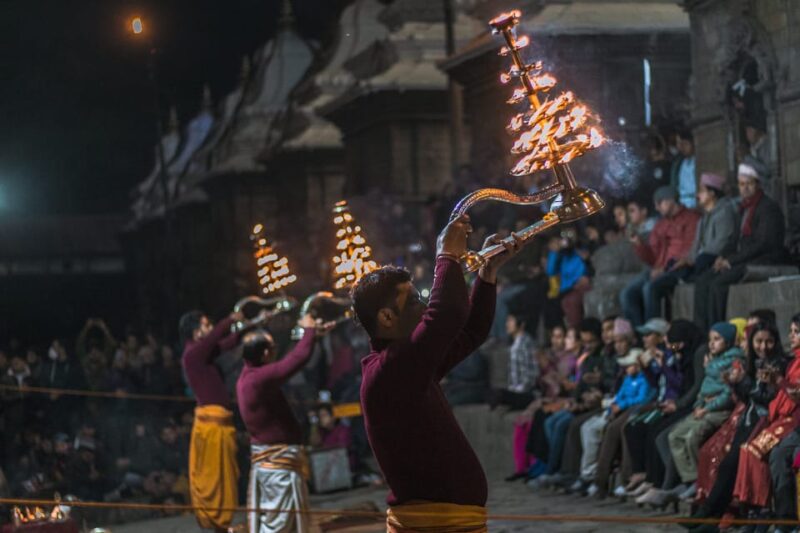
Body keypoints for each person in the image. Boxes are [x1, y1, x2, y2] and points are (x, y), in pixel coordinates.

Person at [354, 214, 521, 532]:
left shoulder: (409, 366)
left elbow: (469, 332)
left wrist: (486, 275)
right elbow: (446, 313)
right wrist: (447, 255)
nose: (424, 304)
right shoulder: (388, 372)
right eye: (415, 300)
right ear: (387, 317)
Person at [237, 314, 333, 533]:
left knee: (285, 523)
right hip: (277, 464)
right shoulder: (258, 379)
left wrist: (313, 336)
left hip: (276, 461)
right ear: (264, 353)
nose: (275, 351)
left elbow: (294, 357)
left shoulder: (250, 374)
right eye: (272, 347)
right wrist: (309, 330)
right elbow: (296, 360)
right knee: (278, 526)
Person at [693, 158, 786, 331]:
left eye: (748, 183)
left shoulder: (767, 208)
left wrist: (732, 261)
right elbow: (734, 239)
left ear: (758, 184)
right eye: (741, 184)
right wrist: (723, 257)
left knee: (717, 285)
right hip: (745, 258)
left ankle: (717, 330)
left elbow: (762, 244)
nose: (744, 188)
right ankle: (702, 331)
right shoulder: (744, 208)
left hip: (764, 259)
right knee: (704, 280)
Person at [180, 310, 245, 531]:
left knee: (224, 477)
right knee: (213, 478)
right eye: (206, 325)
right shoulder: (192, 354)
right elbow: (215, 338)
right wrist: (230, 320)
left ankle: (221, 524)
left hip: (220, 422)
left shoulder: (202, 353)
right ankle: (217, 523)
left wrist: (249, 326)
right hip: (211, 425)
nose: (209, 328)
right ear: (196, 331)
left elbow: (225, 343)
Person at [667, 322, 744, 502]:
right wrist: (699, 404)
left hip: (719, 410)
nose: (712, 343)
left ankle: (701, 482)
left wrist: (707, 408)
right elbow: (704, 387)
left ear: (728, 341)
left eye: (717, 339)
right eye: (710, 339)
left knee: (693, 436)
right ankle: (692, 479)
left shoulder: (735, 361)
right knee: (675, 435)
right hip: (704, 407)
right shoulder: (712, 360)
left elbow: (727, 393)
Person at [621, 186, 700, 326]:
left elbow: (690, 250)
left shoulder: (691, 219)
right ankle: (640, 336)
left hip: (680, 268)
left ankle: (653, 334)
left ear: (671, 200)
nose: (657, 208)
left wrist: (664, 269)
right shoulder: (660, 225)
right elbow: (652, 258)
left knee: (649, 288)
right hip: (659, 269)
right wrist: (639, 245)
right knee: (627, 293)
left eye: (660, 202)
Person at [682, 172, 738, 276]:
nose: (697, 195)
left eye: (702, 191)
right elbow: (696, 244)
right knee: (676, 266)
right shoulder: (703, 218)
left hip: (715, 256)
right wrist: (689, 259)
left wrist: (698, 256)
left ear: (712, 193)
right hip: (701, 256)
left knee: (702, 261)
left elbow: (721, 243)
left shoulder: (724, 212)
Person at [670, 129, 697, 208]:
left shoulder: (698, 162)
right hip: (682, 205)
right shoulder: (680, 163)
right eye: (680, 144)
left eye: (685, 144)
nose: (682, 148)